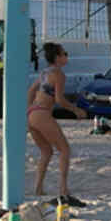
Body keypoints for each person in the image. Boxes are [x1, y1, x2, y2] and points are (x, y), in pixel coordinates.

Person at [28, 43, 89, 205]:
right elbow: (59, 100)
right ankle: (63, 189)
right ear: (57, 57)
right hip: (41, 113)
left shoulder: (44, 73)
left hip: (32, 113)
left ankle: (38, 188)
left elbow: (31, 91)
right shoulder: (58, 74)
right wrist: (76, 110)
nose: (67, 56)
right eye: (65, 53)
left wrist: (27, 112)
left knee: (46, 151)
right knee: (64, 149)